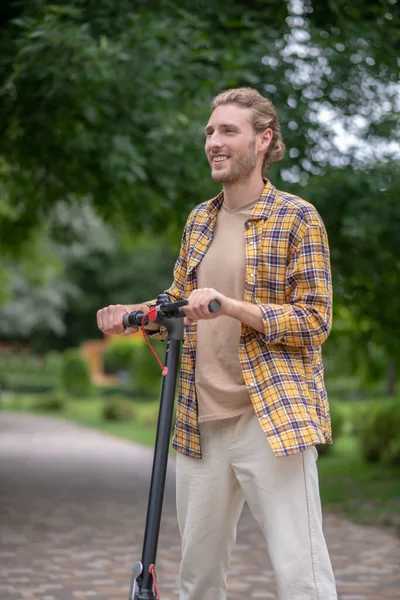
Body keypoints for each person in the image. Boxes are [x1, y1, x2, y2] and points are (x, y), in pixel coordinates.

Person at [96, 87, 338, 600]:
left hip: (270, 418)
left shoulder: (297, 217)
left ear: (263, 139)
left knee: (302, 574)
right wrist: (134, 316)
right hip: (199, 422)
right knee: (198, 579)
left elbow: (314, 320)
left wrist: (232, 307)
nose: (214, 141)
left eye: (228, 130)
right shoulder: (200, 220)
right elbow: (180, 304)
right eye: (210, 131)